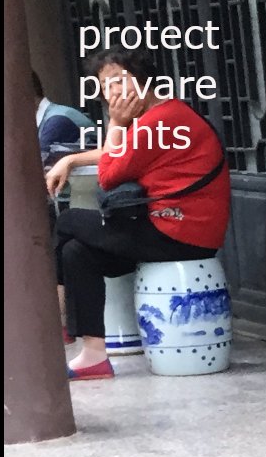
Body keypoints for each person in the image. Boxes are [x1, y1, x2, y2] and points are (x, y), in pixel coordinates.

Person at [47, 40, 231, 380]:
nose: (111, 91)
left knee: (70, 220)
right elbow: (115, 154)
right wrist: (71, 159)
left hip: (177, 232)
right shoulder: (162, 115)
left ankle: (54, 321)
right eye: (105, 86)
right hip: (174, 231)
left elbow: (108, 175)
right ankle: (92, 356)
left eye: (119, 79)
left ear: (143, 79)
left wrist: (115, 122)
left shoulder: (157, 122)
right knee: (77, 252)